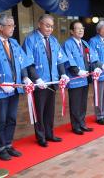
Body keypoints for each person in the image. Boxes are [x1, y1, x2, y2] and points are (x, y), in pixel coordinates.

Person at [0, 13, 33, 160]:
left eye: (13, 25)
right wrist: (2, 84)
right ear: (0, 27)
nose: (12, 28)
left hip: (15, 88)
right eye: (10, 25)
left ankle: (9, 144)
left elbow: (22, 61)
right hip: (0, 90)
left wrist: (25, 76)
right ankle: (1, 147)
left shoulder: (14, 43)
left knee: (12, 118)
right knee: (1, 118)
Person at [22, 14, 70, 147]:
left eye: (52, 26)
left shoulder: (54, 40)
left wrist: (63, 74)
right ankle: (41, 136)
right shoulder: (30, 40)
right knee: (39, 110)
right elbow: (28, 63)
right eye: (47, 25)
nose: (50, 29)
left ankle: (50, 133)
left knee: (50, 110)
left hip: (52, 81)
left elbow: (60, 59)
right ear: (39, 24)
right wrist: (36, 78)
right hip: (40, 83)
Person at [63, 20, 101, 135]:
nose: (81, 30)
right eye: (78, 28)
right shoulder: (67, 44)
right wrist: (78, 71)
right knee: (75, 104)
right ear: (71, 31)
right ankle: (76, 126)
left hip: (85, 78)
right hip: (75, 79)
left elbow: (92, 58)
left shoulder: (85, 43)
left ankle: (82, 123)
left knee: (83, 103)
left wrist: (95, 67)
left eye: (82, 28)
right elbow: (68, 61)